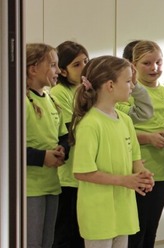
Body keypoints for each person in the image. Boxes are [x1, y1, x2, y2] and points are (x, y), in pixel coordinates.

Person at [70, 55, 154, 247]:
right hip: (99, 213)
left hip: (123, 210)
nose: (132, 86)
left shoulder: (125, 120)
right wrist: (124, 180)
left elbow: (135, 159)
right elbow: (82, 172)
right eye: (127, 81)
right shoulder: (90, 124)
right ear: (110, 86)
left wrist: (143, 175)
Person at [120, 40, 164, 248]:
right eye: (147, 63)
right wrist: (149, 138)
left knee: (151, 229)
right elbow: (119, 130)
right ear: (133, 65)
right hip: (136, 171)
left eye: (158, 62)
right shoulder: (126, 92)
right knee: (135, 231)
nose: (154, 68)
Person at [25, 43, 67, 248]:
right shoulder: (20, 102)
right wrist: (42, 157)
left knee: (47, 243)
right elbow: (8, 149)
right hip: (28, 189)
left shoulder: (51, 100)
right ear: (33, 69)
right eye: (52, 65)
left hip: (51, 185)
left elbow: (63, 137)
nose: (58, 71)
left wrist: (62, 150)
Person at [49, 41, 89, 248]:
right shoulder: (59, 93)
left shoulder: (87, 90)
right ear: (63, 70)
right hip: (68, 177)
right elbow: (72, 131)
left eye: (86, 61)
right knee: (67, 235)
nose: (84, 67)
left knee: (83, 235)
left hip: (88, 175)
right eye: (77, 64)